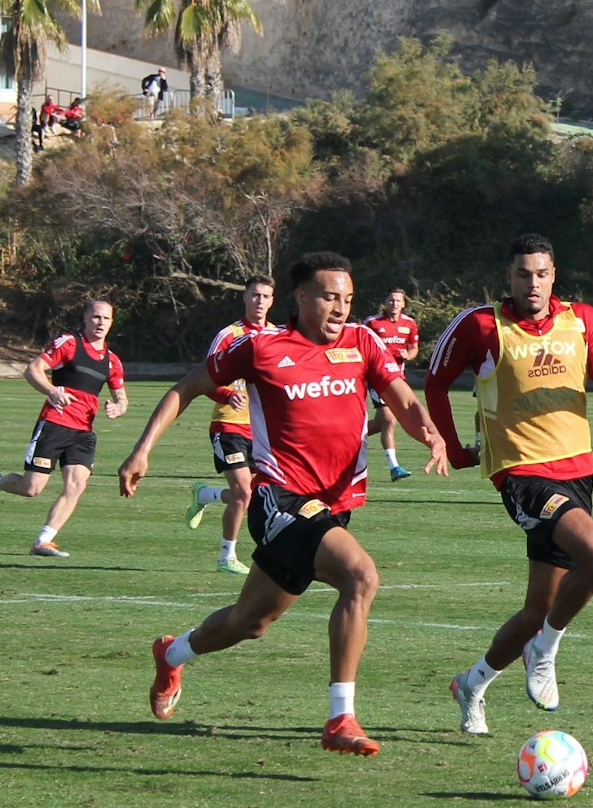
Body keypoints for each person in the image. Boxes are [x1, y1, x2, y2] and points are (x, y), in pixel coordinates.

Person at [118, 252, 450, 756]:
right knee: (360, 576)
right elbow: (185, 389)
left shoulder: (363, 342)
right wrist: (142, 449)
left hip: (334, 504)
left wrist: (429, 432)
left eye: (348, 299)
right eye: (329, 297)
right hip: (280, 498)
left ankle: (172, 651)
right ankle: (341, 718)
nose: (340, 308)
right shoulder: (262, 348)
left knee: (250, 622)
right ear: (301, 297)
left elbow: (401, 397)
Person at [423, 233, 593, 733]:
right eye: (523, 274)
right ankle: (545, 650)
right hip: (522, 474)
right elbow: (434, 380)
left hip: (577, 470)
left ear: (554, 274)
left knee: (536, 609)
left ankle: (471, 684)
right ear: (509, 277)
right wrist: (452, 447)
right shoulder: (481, 325)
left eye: (541, 273)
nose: (532, 283)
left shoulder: (582, 320)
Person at [0, 300, 129, 557]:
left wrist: (118, 408)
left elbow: (122, 398)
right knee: (31, 488)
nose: (101, 323)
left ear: (112, 323)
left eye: (106, 319)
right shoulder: (68, 344)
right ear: (86, 319)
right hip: (55, 424)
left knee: (76, 486)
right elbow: (33, 370)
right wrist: (53, 391)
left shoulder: (112, 361)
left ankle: (43, 541)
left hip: (83, 432)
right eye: (96, 317)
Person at [183, 276, 278, 574]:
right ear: (245, 298)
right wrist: (226, 393)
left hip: (262, 432)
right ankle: (227, 556)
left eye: (265, 296)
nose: (259, 301)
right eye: (254, 295)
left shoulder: (278, 336)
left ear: (272, 300)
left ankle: (204, 495)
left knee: (255, 495)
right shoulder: (229, 334)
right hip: (228, 428)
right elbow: (203, 380)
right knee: (244, 493)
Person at [363, 288, 421, 481]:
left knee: (381, 423)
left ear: (403, 304)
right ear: (385, 302)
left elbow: (413, 348)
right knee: (389, 419)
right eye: (391, 300)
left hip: (397, 379)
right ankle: (394, 467)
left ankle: (347, 437)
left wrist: (408, 355)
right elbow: (360, 345)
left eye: (398, 301)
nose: (394, 303)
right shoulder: (372, 323)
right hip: (376, 378)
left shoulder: (409, 324)